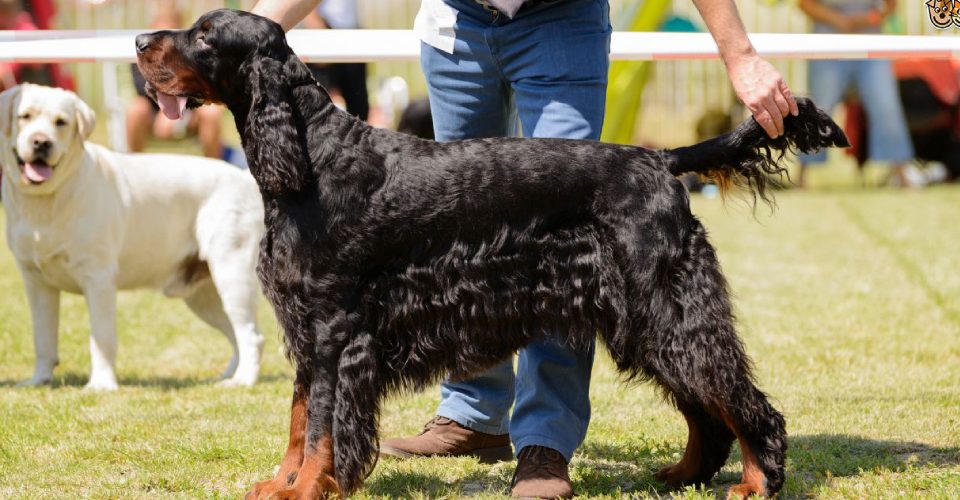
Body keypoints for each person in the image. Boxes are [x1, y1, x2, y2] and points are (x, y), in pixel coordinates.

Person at [250, 0, 796, 497]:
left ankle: (546, 445)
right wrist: (255, 30)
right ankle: (472, 417)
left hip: (561, 17)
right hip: (457, 26)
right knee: (453, 244)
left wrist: (741, 53)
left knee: (584, 263)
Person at [797, 0, 916, 187]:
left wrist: (869, 19)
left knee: (886, 105)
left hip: (870, 41)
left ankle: (902, 175)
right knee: (819, 108)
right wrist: (838, 20)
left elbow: (892, 5)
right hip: (827, 41)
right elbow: (805, 4)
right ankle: (801, 178)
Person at [127, 9, 226, 158]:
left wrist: (178, 110)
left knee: (211, 112)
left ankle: (214, 168)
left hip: (190, 108)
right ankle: (134, 166)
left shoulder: (191, 52)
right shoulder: (142, 51)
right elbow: (141, 87)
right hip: (152, 109)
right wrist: (165, 109)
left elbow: (199, 86)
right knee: (135, 109)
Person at [301, 0, 370, 121]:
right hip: (324, 31)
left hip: (352, 32)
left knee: (359, 106)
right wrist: (318, 33)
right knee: (320, 108)